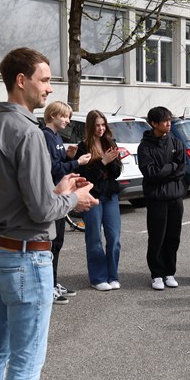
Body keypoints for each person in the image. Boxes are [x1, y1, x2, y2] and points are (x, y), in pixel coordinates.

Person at [0, 47, 97, 380]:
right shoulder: (26, 131)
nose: (50, 88)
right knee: (25, 364)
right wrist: (71, 200)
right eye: (44, 79)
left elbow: (25, 195)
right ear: (21, 80)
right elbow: (43, 208)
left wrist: (59, 189)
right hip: (25, 257)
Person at [42, 101, 92, 305]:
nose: (68, 120)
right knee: (51, 244)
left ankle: (53, 282)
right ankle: (48, 286)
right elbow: (52, 168)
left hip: (60, 195)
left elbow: (58, 161)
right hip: (53, 195)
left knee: (58, 242)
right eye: (64, 116)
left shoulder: (56, 137)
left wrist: (67, 155)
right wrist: (76, 162)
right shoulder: (45, 136)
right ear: (53, 115)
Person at [137, 106, 187, 290]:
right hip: (156, 198)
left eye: (169, 120)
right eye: (165, 121)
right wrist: (171, 167)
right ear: (154, 123)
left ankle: (169, 272)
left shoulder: (175, 142)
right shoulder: (145, 146)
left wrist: (167, 169)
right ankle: (157, 274)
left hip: (175, 197)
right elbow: (150, 173)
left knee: (173, 236)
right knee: (157, 236)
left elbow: (183, 168)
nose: (169, 123)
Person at [74, 111, 124, 291]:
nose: (101, 128)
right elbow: (84, 176)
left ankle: (113, 275)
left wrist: (110, 161)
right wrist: (102, 162)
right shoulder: (83, 147)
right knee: (94, 237)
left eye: (103, 124)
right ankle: (98, 277)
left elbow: (117, 173)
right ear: (90, 126)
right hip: (91, 196)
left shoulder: (110, 143)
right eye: (97, 125)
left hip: (110, 195)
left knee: (114, 237)